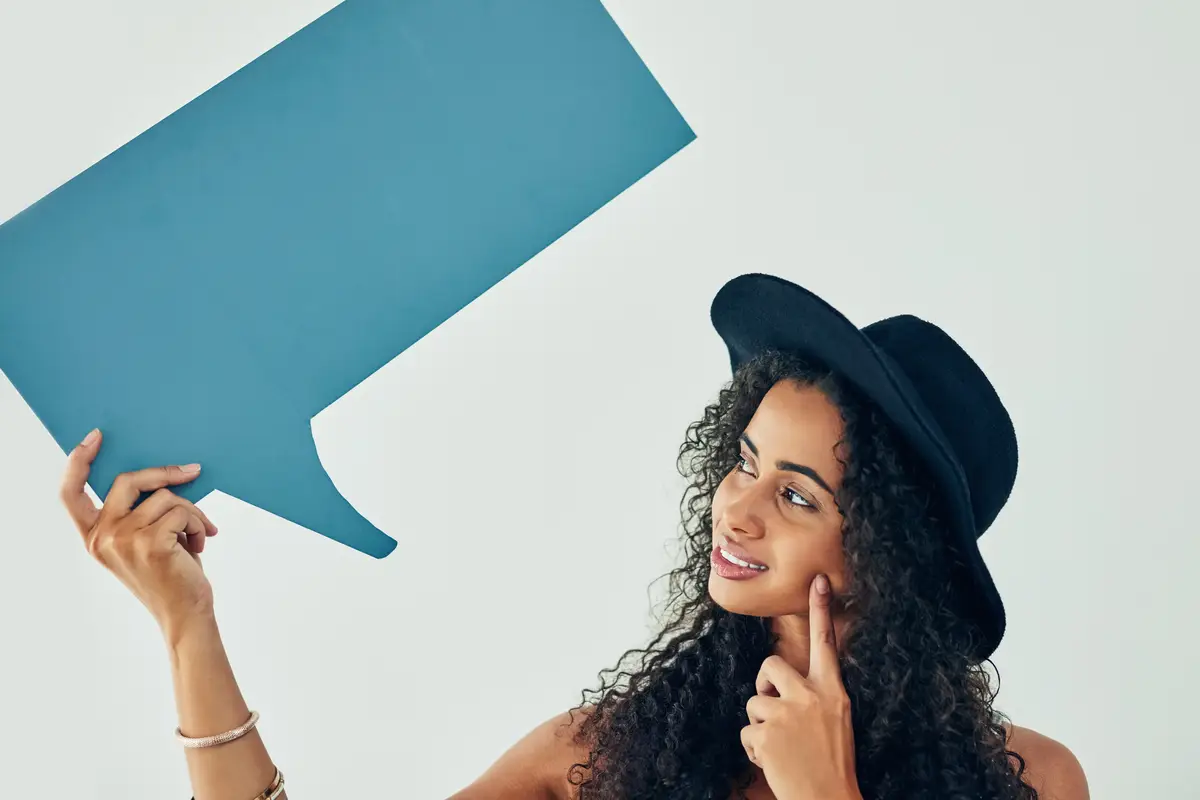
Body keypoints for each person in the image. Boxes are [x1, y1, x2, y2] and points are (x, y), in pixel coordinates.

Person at [59, 273, 1089, 800]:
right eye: (744, 460)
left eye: (799, 494)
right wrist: (189, 626)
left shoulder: (1033, 780)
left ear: (894, 557)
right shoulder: (606, 758)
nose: (735, 508)